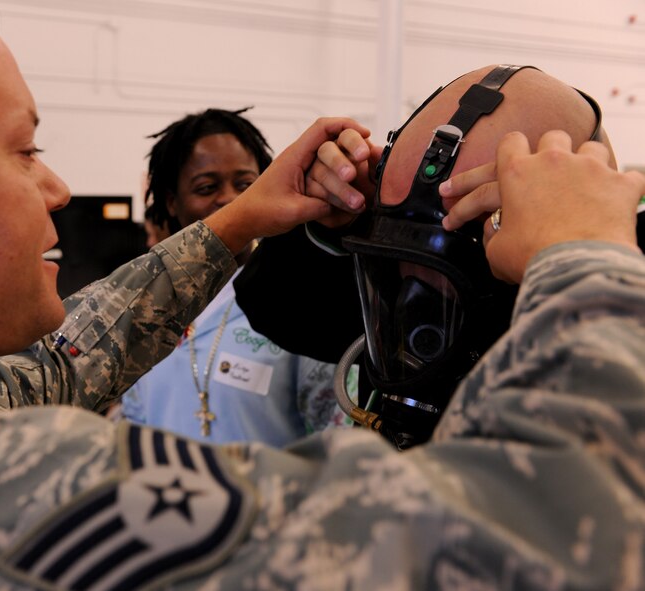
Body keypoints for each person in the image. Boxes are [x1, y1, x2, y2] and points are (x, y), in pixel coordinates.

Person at [0, 3, 645, 588]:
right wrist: (586, 254)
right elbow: (549, 528)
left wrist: (234, 228)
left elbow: (60, 365)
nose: (57, 187)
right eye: (23, 150)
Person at [234, 64, 624, 447]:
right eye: (401, 257)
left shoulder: (606, 334)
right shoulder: (390, 294)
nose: (411, 297)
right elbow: (270, 303)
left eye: (445, 258)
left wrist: (572, 264)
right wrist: (331, 219)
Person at [120, 108, 340, 445]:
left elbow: (333, 435)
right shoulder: (145, 307)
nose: (229, 198)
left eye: (245, 184)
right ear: (172, 202)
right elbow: (132, 424)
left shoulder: (294, 299)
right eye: (207, 187)